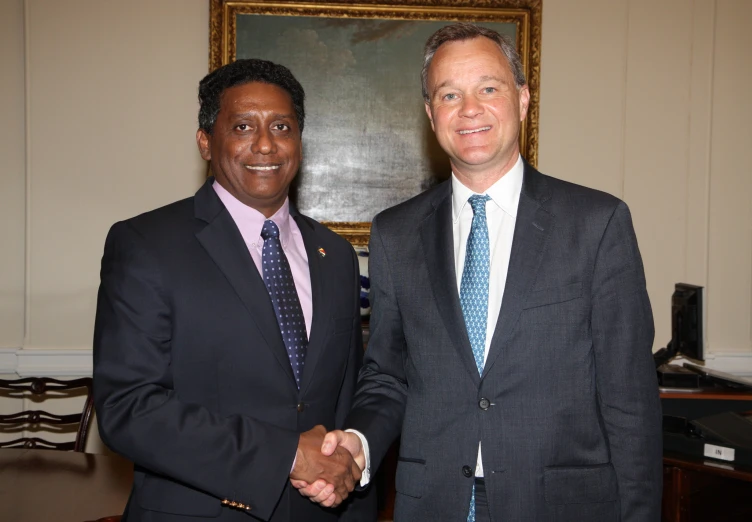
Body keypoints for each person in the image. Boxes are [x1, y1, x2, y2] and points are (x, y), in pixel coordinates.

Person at [298, 23, 663, 521]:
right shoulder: (396, 233)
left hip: (561, 504)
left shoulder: (597, 224)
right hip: (436, 503)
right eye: (450, 94)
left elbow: (630, 402)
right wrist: (358, 441)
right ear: (431, 114)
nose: (469, 109)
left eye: (488, 88)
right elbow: (387, 373)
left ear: (523, 98)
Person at [93, 59, 374, 522]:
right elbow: (129, 408)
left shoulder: (335, 255)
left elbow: (348, 394)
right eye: (243, 126)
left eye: (281, 126)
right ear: (206, 141)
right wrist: (285, 454)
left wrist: (348, 470)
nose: (265, 144)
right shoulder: (146, 244)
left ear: (299, 142)